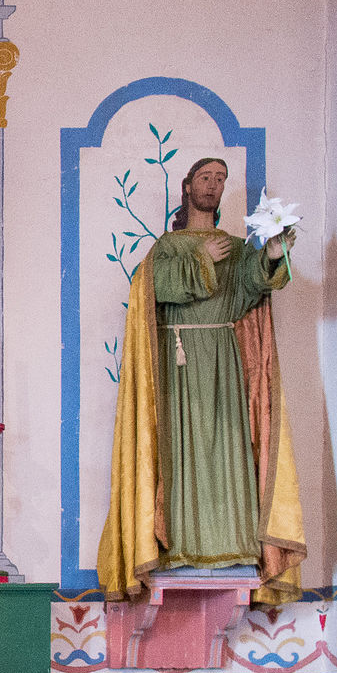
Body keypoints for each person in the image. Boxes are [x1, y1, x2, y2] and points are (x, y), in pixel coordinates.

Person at [98, 157, 304, 605]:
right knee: (178, 453)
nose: (213, 185)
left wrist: (271, 256)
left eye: (220, 180)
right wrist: (199, 259)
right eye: (205, 178)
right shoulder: (167, 246)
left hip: (224, 363)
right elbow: (151, 287)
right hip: (178, 365)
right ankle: (178, 551)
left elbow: (252, 284)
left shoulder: (236, 247)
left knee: (228, 449)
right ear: (188, 185)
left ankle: (234, 550)